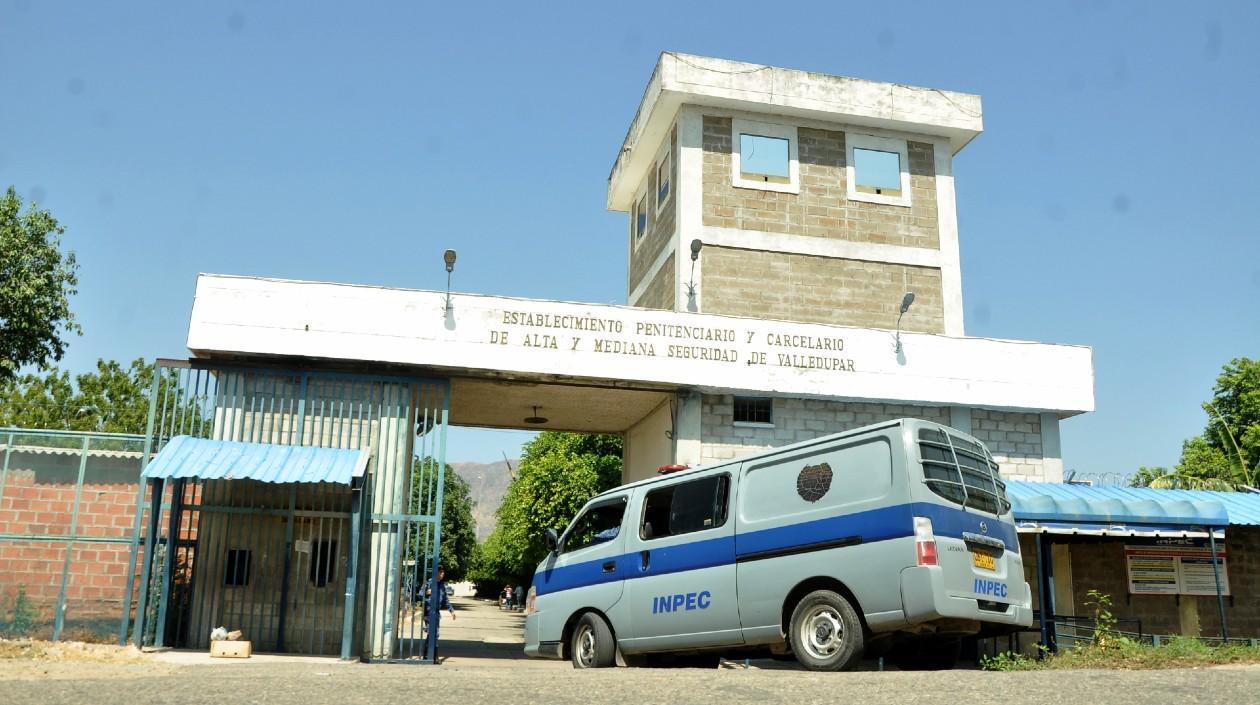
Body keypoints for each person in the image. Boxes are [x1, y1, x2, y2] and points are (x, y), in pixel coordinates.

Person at [424, 565, 456, 661]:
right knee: (433, 632)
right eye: (440, 572)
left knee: (434, 633)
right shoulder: (429, 583)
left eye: (443, 572)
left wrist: (452, 611)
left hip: (436, 612)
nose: (442, 574)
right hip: (428, 611)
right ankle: (433, 656)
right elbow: (420, 593)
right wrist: (426, 592)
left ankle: (429, 655)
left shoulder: (442, 585)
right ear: (436, 572)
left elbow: (445, 599)